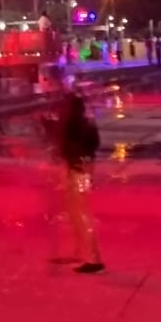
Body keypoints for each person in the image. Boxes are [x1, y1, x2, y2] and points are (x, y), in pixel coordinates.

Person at [52, 94, 104, 273]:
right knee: (76, 213)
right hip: (81, 169)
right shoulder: (85, 123)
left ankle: (93, 259)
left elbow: (70, 146)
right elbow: (94, 144)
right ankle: (83, 253)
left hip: (77, 170)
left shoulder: (74, 126)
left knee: (81, 214)